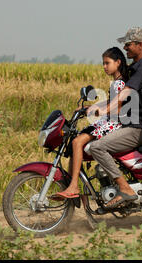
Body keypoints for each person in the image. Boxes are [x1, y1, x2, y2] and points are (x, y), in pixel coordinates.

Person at [88, 27, 142, 209]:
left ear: (140, 45)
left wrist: (105, 111)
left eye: (128, 44)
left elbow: (125, 94)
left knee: (96, 147)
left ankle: (125, 188)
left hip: (139, 127)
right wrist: (94, 108)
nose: (126, 47)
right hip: (131, 124)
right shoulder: (136, 67)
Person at [51, 47, 129, 200]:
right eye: (103, 63)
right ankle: (72, 184)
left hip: (115, 123)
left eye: (107, 63)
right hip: (109, 121)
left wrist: (97, 111)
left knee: (78, 141)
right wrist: (89, 107)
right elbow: (110, 102)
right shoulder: (117, 82)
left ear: (118, 62)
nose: (104, 66)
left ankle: (73, 186)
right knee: (75, 143)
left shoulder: (120, 83)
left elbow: (117, 108)